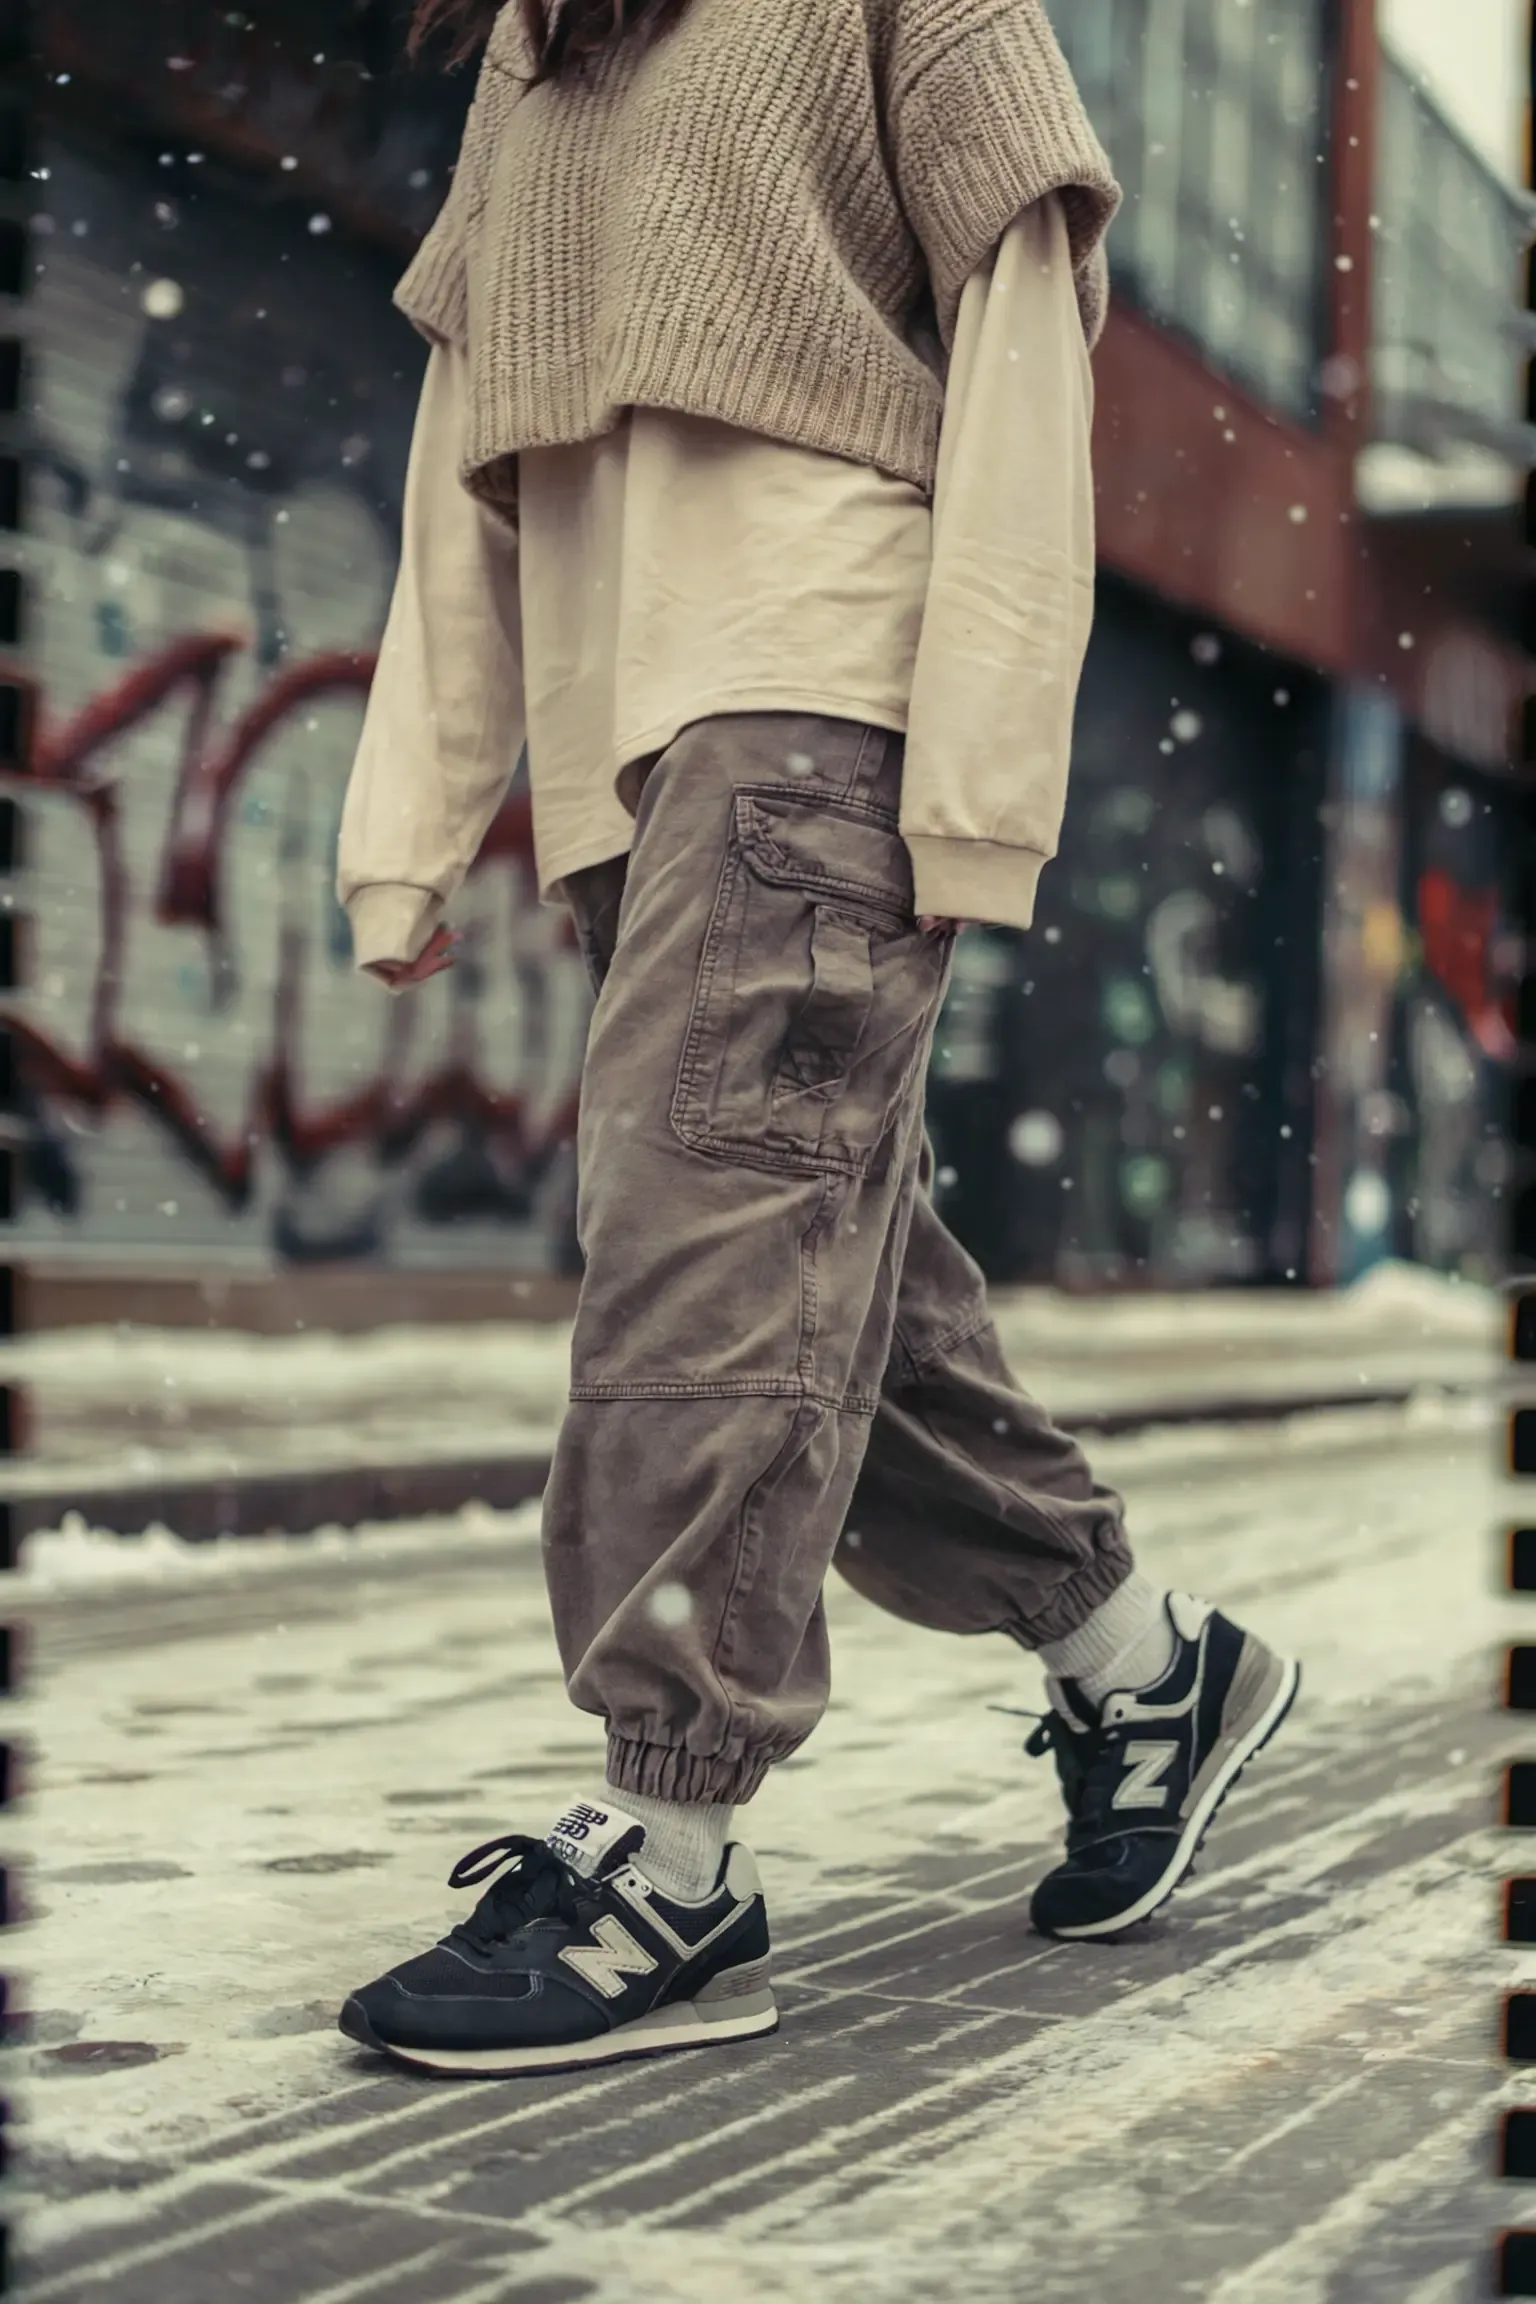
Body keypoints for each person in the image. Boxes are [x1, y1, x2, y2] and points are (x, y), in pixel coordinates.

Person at [334, 0, 1300, 2080]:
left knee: (707, 1257)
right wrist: (417, 813)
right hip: (628, 759)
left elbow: (1028, 337)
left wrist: (979, 765)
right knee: (821, 1268)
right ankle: (1145, 1672)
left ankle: (670, 1852)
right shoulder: (536, 52)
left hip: (814, 693)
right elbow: (465, 448)